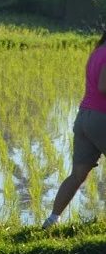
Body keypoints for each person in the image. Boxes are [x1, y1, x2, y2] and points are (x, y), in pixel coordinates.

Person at [43, 27, 106, 228]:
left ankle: (52, 220)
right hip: (101, 118)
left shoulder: (98, 51)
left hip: (84, 118)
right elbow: (103, 86)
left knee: (78, 174)